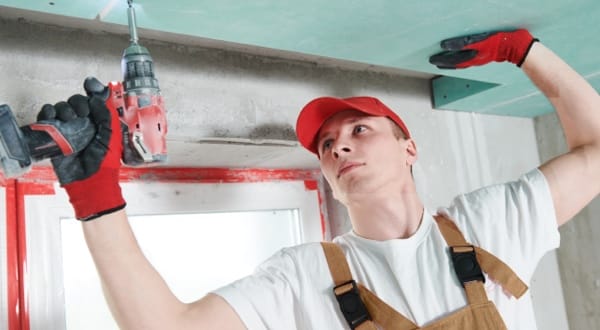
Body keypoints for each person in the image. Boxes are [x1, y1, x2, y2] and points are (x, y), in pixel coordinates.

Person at [40, 28, 600, 329]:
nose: (340, 146)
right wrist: (95, 196)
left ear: (410, 148)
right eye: (327, 145)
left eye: (359, 130)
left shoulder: (491, 224)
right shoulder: (303, 277)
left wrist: (522, 51)